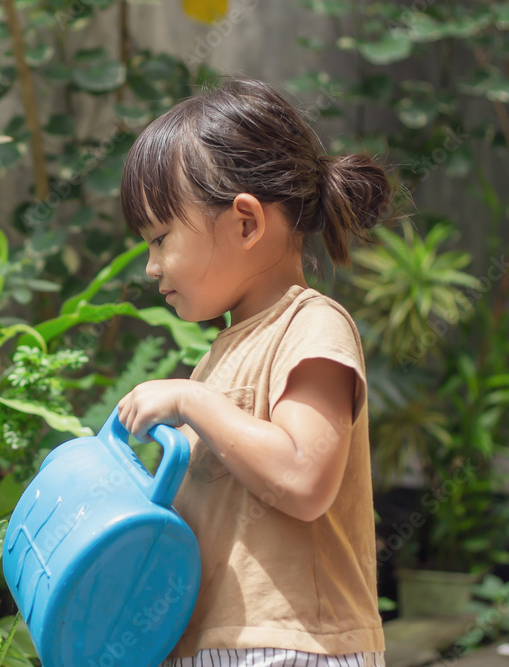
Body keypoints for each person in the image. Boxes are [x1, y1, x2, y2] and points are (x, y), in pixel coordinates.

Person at [116, 78, 392, 667]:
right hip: (218, 646)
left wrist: (193, 402)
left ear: (244, 222)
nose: (151, 266)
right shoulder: (219, 354)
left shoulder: (312, 326)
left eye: (161, 239)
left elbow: (303, 478)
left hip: (293, 646)